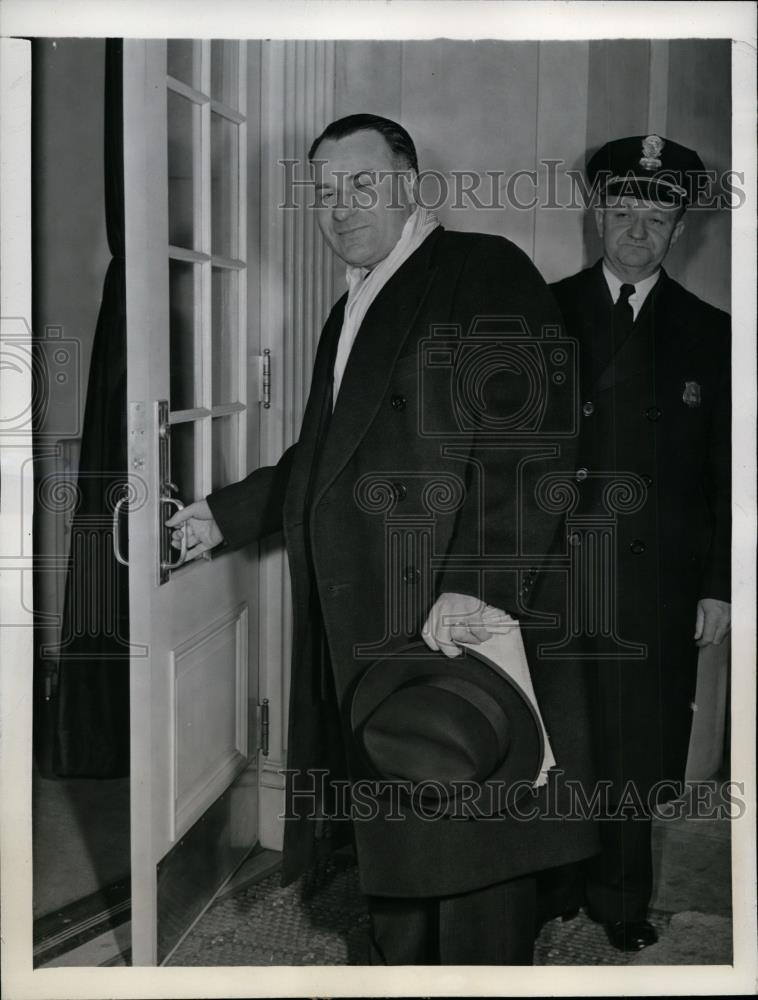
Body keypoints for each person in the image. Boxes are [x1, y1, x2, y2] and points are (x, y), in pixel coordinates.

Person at [167, 114, 598, 965]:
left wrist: (479, 582)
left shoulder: (482, 269)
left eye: (361, 182)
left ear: (411, 185)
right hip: (369, 612)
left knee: (473, 833)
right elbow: (321, 457)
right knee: (401, 827)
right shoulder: (351, 302)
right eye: (325, 191)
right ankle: (398, 969)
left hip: (453, 605)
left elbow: (534, 436)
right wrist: (224, 514)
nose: (339, 205)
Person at [538, 134, 731, 951]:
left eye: (658, 216)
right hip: (555, 568)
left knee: (637, 742)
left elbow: (731, 472)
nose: (638, 230)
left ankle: (621, 898)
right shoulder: (543, 311)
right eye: (623, 211)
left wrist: (721, 584)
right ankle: (547, 886)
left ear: (680, 229)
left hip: (658, 579)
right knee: (554, 735)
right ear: (596, 213)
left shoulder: (714, 333)